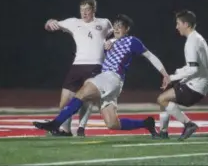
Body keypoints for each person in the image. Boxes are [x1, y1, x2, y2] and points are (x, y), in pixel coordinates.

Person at [34, 14, 169, 137]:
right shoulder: (110, 42)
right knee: (112, 124)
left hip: (111, 78)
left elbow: (150, 56)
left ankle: (56, 124)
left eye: (120, 27)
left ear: (126, 29)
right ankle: (146, 124)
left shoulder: (132, 41)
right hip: (109, 82)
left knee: (82, 92)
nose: (116, 29)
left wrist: (165, 74)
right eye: (115, 26)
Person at [44, 0, 114, 136]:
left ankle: (81, 128)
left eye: (87, 10)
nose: (84, 13)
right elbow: (49, 25)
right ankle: (66, 130)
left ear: (94, 10)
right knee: (64, 101)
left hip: (96, 65)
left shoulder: (104, 22)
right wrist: (49, 22)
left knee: (87, 99)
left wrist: (112, 41)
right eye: (82, 10)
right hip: (77, 65)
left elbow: (118, 35)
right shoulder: (73, 22)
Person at [157, 10, 208, 140]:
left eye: (178, 23)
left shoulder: (191, 42)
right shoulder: (197, 38)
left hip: (195, 86)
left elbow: (193, 70)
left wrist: (172, 78)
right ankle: (163, 132)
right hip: (198, 83)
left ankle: (188, 124)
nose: (177, 27)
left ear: (186, 24)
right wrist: (177, 73)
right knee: (164, 99)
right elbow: (194, 66)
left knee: (162, 99)